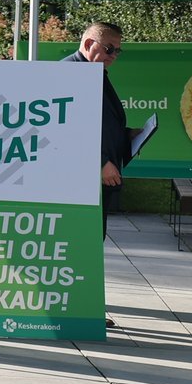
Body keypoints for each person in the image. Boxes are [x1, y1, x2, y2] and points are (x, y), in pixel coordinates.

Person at [66, 20, 137, 231]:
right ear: (88, 44)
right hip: (81, 179)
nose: (113, 55)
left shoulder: (92, 71)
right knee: (82, 241)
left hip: (94, 177)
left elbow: (97, 122)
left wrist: (126, 135)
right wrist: (101, 162)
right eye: (109, 49)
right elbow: (67, 131)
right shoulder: (69, 73)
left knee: (92, 240)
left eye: (118, 51)